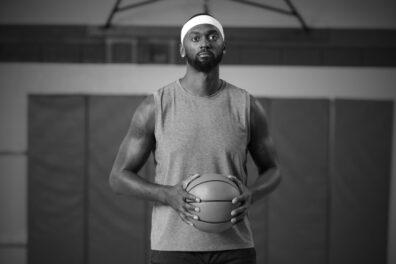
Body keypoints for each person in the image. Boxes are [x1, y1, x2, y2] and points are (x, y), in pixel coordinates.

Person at [109, 13, 281, 264]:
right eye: (195, 37)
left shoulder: (247, 105)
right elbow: (118, 178)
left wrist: (252, 193)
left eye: (213, 36)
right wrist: (167, 194)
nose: (204, 43)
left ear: (224, 46)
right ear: (182, 49)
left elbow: (273, 170)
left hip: (235, 245)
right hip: (172, 247)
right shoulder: (156, 106)